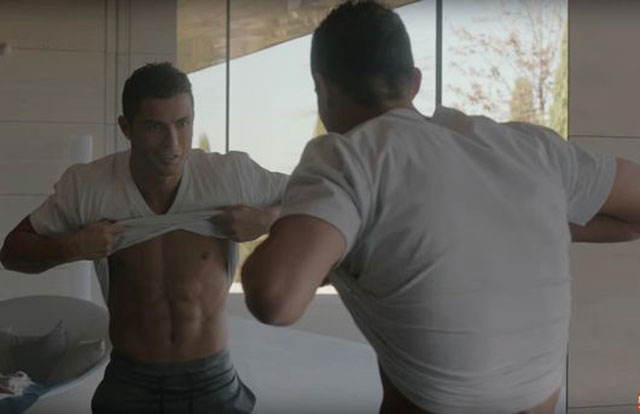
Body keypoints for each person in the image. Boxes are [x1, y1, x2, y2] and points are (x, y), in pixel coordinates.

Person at [241, 2, 640, 414]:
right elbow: (633, 219)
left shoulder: (349, 158)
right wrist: (519, 219)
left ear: (323, 89)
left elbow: (276, 298)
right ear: (414, 82)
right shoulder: (530, 148)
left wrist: (277, 226)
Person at [0, 62, 287, 413]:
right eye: (155, 127)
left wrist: (267, 218)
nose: (173, 144)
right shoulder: (89, 187)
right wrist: (70, 247)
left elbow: (320, 198)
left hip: (212, 379)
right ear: (126, 128)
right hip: (130, 382)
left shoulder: (229, 176)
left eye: (183, 124)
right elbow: (11, 252)